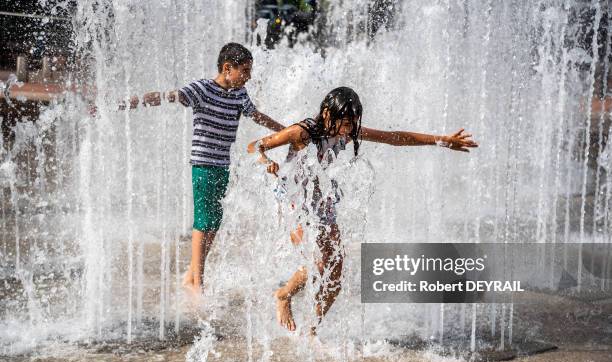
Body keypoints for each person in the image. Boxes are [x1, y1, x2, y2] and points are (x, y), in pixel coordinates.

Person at [247, 86, 478, 334]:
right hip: (293, 199)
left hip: (320, 200)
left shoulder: (348, 131)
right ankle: (283, 295)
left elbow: (394, 138)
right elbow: (254, 146)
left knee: (335, 273)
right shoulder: (302, 132)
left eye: (352, 123)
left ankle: (311, 329)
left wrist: (441, 140)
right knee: (316, 262)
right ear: (327, 113)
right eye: (344, 123)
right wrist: (266, 161)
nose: (348, 129)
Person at [126, 43, 284, 294]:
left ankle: (191, 274)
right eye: (245, 70)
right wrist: (131, 102)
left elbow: (258, 116)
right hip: (203, 164)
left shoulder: (240, 95)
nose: (249, 76)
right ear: (226, 68)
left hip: (222, 165)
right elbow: (168, 96)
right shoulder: (202, 89)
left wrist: (286, 132)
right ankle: (197, 281)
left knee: (214, 221)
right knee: (203, 219)